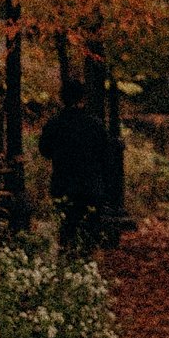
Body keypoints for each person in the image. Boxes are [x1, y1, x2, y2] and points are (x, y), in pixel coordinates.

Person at [38, 92, 115, 249]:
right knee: (89, 228)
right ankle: (87, 260)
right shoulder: (94, 124)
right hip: (90, 184)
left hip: (63, 183)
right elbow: (106, 155)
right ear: (82, 99)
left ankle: (68, 260)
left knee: (66, 227)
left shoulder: (54, 123)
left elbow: (44, 150)